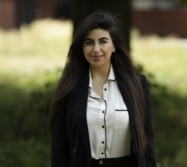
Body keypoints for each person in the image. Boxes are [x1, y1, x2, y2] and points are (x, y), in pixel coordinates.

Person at [49, 10, 157, 167]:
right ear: (82, 48)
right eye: (89, 42)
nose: (96, 49)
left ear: (114, 46)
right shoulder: (70, 87)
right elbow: (59, 148)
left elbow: (146, 144)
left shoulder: (137, 85)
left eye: (103, 41)